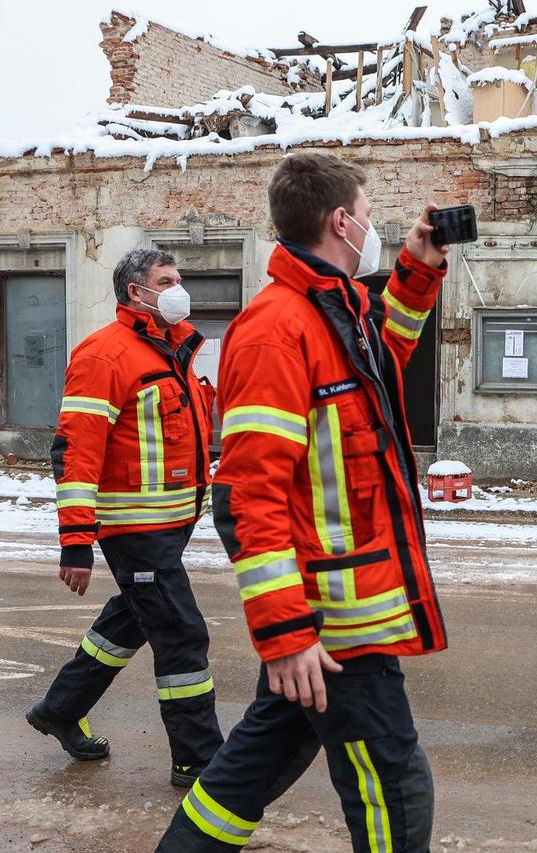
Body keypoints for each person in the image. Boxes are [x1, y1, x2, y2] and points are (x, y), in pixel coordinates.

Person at [156, 151, 450, 853]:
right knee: (394, 788)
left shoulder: (333, 310)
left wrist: (416, 267)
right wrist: (286, 633)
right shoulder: (274, 330)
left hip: (338, 607)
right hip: (331, 617)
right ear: (341, 222)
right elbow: (247, 495)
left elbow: (384, 357)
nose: (374, 228)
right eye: (369, 216)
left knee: (259, 760)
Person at [26, 248, 224, 788]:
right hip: (135, 531)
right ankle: (199, 758)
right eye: (167, 280)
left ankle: (61, 709)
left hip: (168, 528)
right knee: (181, 632)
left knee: (133, 617)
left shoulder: (172, 348)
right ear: (137, 292)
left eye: (179, 279)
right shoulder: (105, 355)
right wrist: (76, 540)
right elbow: (75, 452)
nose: (179, 289)